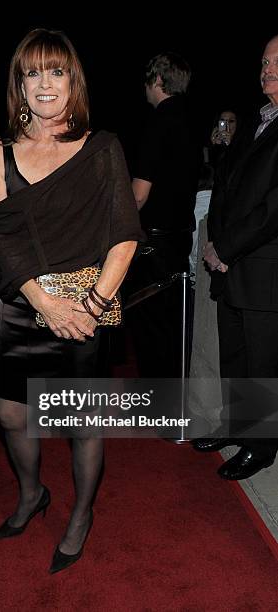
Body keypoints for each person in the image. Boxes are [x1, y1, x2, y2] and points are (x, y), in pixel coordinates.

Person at [0, 28, 143, 573]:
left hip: (89, 301)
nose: (44, 83)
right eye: (32, 72)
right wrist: (43, 302)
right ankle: (31, 494)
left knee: (83, 422)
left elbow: (124, 234)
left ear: (73, 80)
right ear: (18, 84)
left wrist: (91, 305)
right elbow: (1, 238)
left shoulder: (102, 148)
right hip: (23, 302)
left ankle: (82, 513)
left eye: (56, 71)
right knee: (10, 413)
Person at [193, 35, 278, 480]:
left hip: (265, 267)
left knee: (263, 363)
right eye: (264, 61)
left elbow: (273, 208)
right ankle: (236, 427)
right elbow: (229, 188)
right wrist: (216, 244)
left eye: (277, 62)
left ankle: (261, 446)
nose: (267, 69)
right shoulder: (255, 120)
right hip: (230, 263)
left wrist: (225, 246)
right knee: (236, 356)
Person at [129, 52, 200, 377]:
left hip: (154, 243)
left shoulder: (158, 122)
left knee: (151, 325)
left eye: (147, 80)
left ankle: (157, 404)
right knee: (175, 323)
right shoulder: (191, 121)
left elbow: (139, 195)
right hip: (180, 237)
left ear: (158, 80)